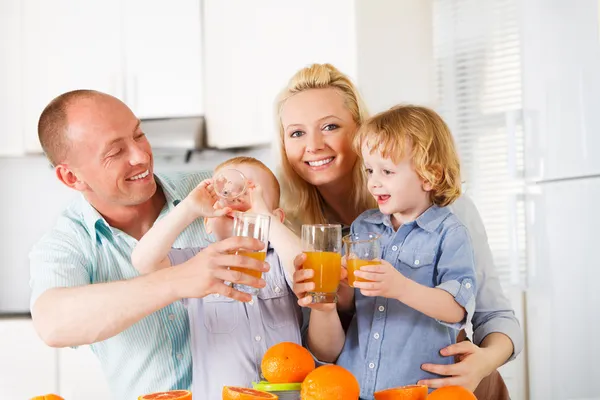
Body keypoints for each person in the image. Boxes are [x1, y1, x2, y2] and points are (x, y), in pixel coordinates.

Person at [276, 64, 523, 393]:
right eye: (297, 133)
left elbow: (492, 312)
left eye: (330, 126)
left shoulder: (445, 211)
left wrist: (485, 360)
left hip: (452, 385)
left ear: (362, 132)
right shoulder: (296, 230)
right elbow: (324, 347)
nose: (314, 145)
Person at [29, 90, 268, 399]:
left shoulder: (214, 191)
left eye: (139, 135)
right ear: (72, 177)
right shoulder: (67, 242)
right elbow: (53, 323)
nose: (141, 155)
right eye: (115, 152)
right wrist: (176, 280)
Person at [296, 105, 477, 398]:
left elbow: (457, 309)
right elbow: (350, 308)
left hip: (416, 388)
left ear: (429, 176)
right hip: (353, 385)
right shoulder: (364, 227)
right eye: (369, 170)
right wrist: (337, 287)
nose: (373, 182)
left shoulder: (449, 233)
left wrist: (401, 287)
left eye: (387, 171)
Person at [131, 156, 305, 399]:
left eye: (254, 195)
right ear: (208, 223)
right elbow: (143, 261)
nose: (238, 199)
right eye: (226, 193)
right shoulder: (196, 266)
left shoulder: (281, 259)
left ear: (277, 217)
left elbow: (310, 270)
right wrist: (189, 208)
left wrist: (265, 218)